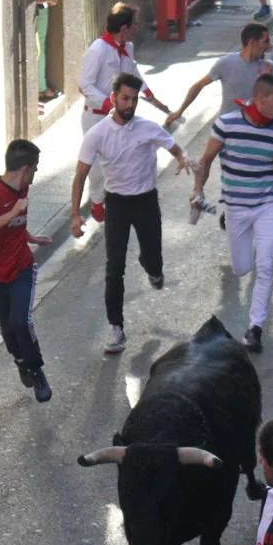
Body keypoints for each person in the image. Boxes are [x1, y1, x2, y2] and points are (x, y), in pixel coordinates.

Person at [71, 72, 192, 355]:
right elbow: (79, 176)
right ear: (113, 98)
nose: (130, 104)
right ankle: (116, 328)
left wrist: (184, 158)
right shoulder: (97, 134)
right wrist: (75, 215)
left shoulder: (147, 128)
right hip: (118, 205)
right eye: (125, 98)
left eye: (135, 100)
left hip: (146, 202)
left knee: (155, 261)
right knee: (115, 267)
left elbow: (173, 146)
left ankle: (151, 267)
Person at [190, 74, 273, 352]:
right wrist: (197, 189)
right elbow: (206, 160)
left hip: (266, 205)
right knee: (241, 267)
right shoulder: (226, 125)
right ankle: (238, 242)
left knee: (266, 265)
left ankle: (255, 328)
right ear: (261, 99)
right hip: (236, 206)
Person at [0, 140, 55, 402]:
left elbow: (15, 227)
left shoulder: (24, 188)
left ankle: (37, 371)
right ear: (26, 168)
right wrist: (11, 214)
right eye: (36, 168)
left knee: (21, 321)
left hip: (21, 268)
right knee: (8, 327)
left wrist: (30, 237)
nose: (36, 174)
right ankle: (20, 360)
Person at [79, 3, 172, 222]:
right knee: (97, 161)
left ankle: (116, 197)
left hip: (121, 116)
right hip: (96, 116)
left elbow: (133, 71)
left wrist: (150, 96)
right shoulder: (97, 50)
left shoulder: (127, 47)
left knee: (120, 157)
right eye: (134, 24)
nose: (137, 27)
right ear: (123, 28)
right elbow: (85, 84)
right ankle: (96, 200)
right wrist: (108, 103)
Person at [165, 22, 273, 128]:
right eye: (266, 41)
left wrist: (266, 79)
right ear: (252, 42)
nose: (270, 46)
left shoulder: (268, 67)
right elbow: (199, 85)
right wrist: (179, 111)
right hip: (228, 127)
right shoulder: (226, 63)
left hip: (255, 127)